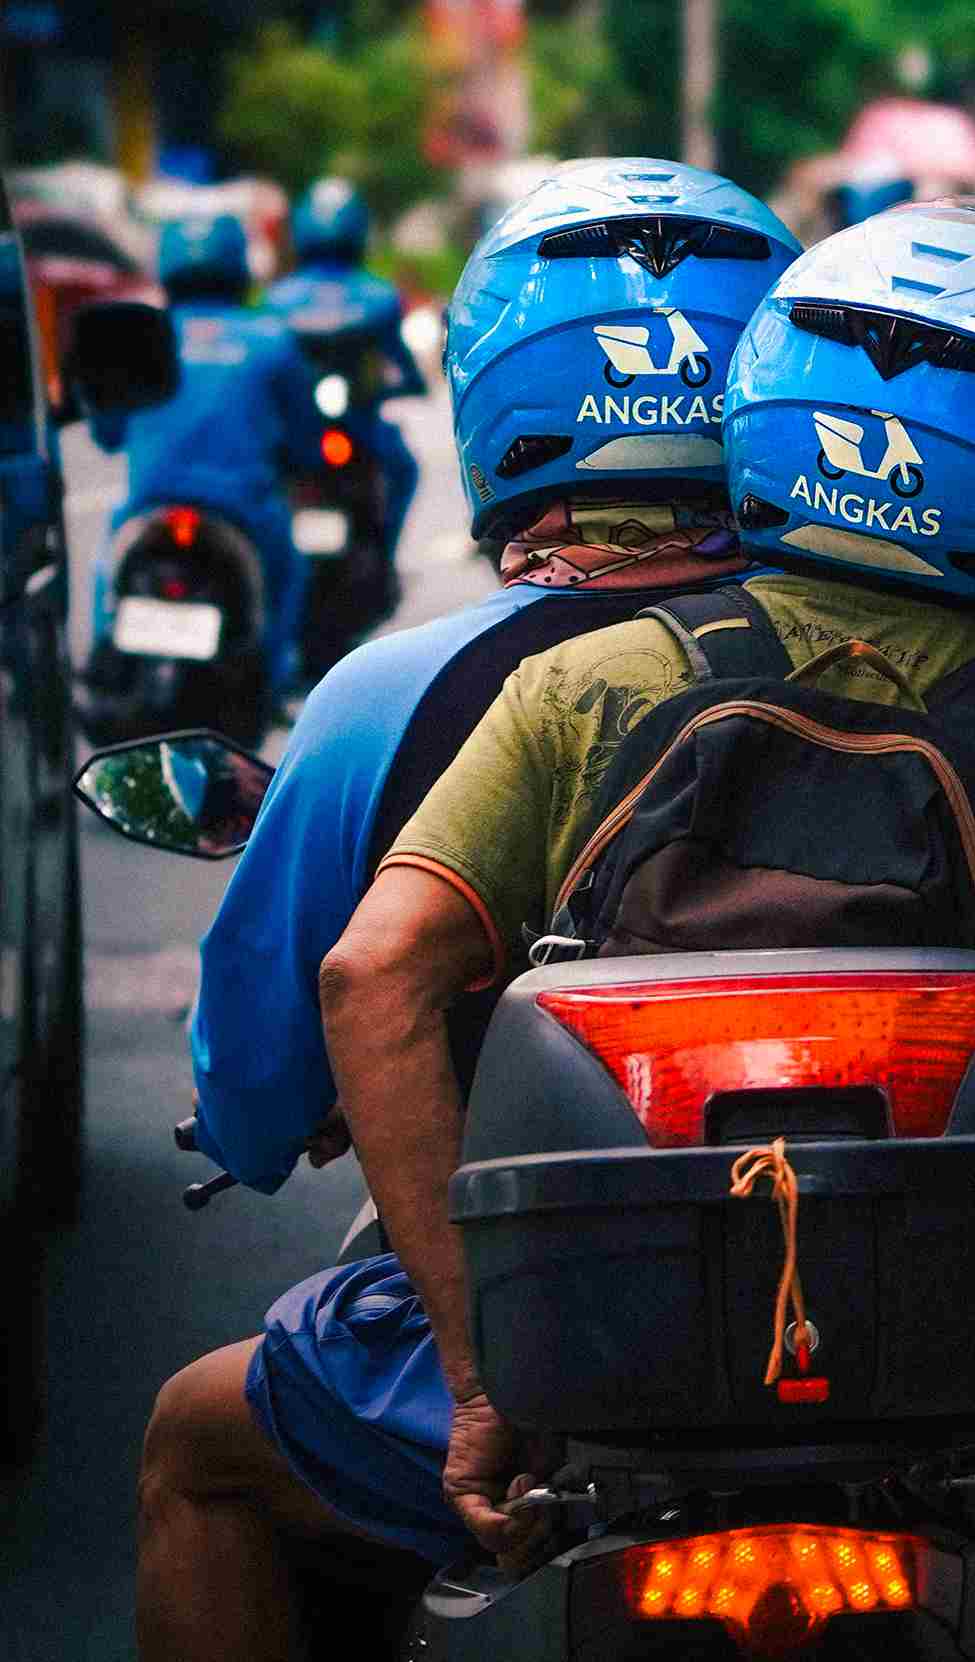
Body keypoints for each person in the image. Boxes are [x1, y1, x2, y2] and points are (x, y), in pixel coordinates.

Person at [138, 202, 975, 1662]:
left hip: (589, 1361)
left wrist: (488, 1382)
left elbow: (369, 974)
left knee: (193, 1444)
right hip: (947, 1363)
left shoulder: (588, 687)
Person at [185, 158, 802, 1196]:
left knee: (192, 1376)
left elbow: (251, 1091)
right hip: (892, 1302)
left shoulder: (381, 700)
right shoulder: (925, 666)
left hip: (521, 1324)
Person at [86, 214, 323, 699]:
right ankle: (275, 681)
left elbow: (108, 435)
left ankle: (100, 659)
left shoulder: (137, 334)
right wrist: (302, 466)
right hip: (243, 512)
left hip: (149, 505)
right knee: (292, 568)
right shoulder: (272, 338)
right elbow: (305, 439)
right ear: (238, 265)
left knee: (107, 562)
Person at [264, 179, 425, 580]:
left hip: (295, 430)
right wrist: (410, 385)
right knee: (404, 470)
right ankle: (385, 560)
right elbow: (401, 364)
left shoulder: (277, 298)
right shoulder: (379, 296)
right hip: (360, 427)